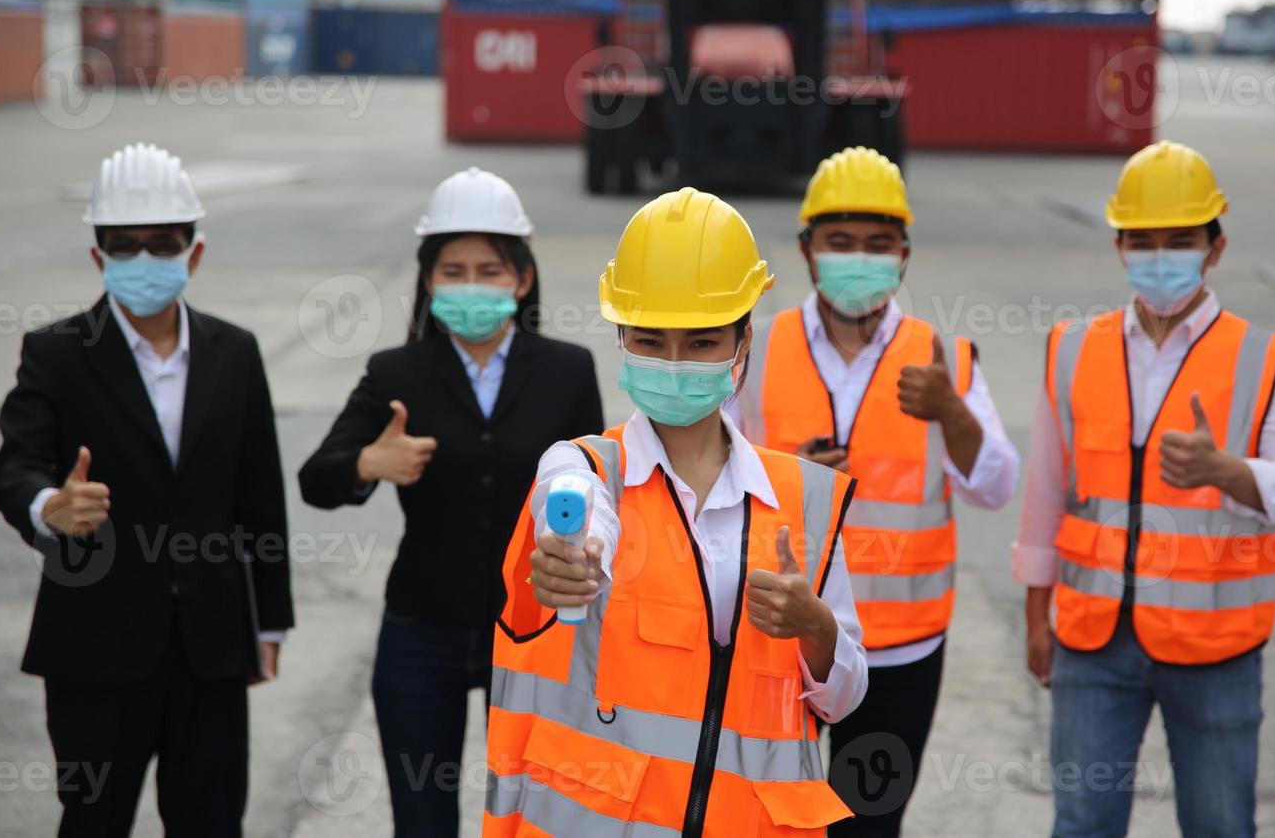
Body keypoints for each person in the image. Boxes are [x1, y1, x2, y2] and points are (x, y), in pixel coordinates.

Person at [485, 187, 869, 836]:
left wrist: (816, 627)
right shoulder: (583, 469)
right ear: (621, 338)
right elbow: (572, 516)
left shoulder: (802, 498)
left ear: (743, 341)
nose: (673, 363)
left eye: (701, 342)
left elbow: (843, 698)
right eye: (651, 340)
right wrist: (567, 557)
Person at [0, 142, 294, 837]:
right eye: (125, 246)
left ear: (195, 252)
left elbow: (259, 497)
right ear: (99, 258)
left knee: (211, 822)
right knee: (94, 820)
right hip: (95, 651)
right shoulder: (57, 352)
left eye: (163, 244)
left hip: (211, 652)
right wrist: (49, 509)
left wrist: (269, 623)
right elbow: (14, 466)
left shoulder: (234, 352)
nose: (144, 260)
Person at [1013, 140, 1275, 838]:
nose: (1160, 257)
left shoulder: (1263, 358)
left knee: (1218, 826)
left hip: (1215, 646)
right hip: (1093, 638)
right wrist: (1038, 613)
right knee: (1083, 824)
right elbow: (1046, 496)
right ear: (1119, 245)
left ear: (1215, 248)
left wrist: (1228, 472)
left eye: (1180, 240)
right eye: (1144, 241)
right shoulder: (1072, 348)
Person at [298, 167, 603, 836]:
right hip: (421, 629)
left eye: (489, 270)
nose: (472, 286)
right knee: (422, 817)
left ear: (521, 279)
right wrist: (366, 464)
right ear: (428, 282)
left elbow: (595, 489)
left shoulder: (567, 371)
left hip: (531, 628)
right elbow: (315, 478)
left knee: (532, 817)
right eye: (453, 271)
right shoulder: (395, 374)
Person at [735, 146, 1020, 834]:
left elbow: (997, 485)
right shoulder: (758, 349)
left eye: (877, 244)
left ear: (903, 255)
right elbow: (713, 472)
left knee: (869, 823)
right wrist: (789, 471)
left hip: (901, 651)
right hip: (785, 639)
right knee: (769, 820)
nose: (858, 258)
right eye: (840, 243)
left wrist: (952, 412)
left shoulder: (941, 357)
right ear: (806, 252)